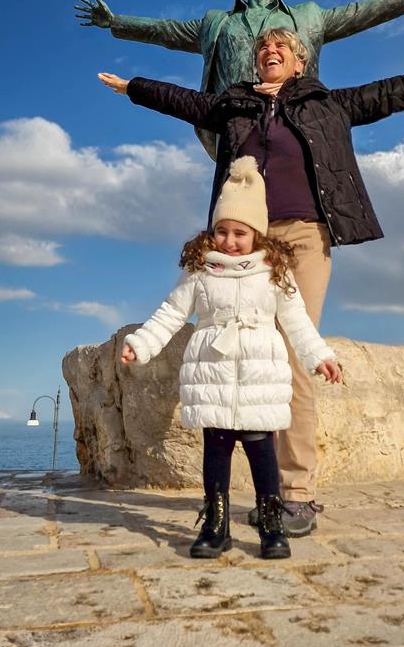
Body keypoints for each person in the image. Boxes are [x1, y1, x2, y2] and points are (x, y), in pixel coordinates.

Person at [99, 32, 404, 535]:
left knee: (294, 357)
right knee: (243, 348)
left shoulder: (327, 104)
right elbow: (185, 101)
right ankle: (242, 490)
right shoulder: (234, 105)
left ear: (298, 62)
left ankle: (295, 492)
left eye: (279, 48)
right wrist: (134, 87)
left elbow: (397, 90)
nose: (268, 53)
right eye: (262, 49)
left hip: (303, 236)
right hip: (245, 239)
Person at [121, 155, 342, 560]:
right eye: (221, 230)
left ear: (257, 234)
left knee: (262, 454)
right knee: (216, 452)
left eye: (239, 232)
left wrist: (319, 357)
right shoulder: (200, 271)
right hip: (214, 376)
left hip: (259, 377)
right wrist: (142, 343)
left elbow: (296, 322)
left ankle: (271, 523)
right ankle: (216, 524)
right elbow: (171, 312)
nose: (229, 240)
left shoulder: (274, 272)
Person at [78, 0, 404, 158]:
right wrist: (115, 23)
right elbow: (164, 31)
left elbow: (362, 14)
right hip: (234, 129)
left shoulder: (309, 17)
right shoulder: (217, 23)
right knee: (235, 225)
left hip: (294, 127)